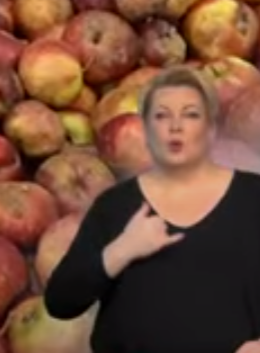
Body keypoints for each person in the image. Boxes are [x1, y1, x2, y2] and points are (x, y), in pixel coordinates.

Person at [44, 66, 260, 353]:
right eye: (161, 116)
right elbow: (61, 301)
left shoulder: (252, 198)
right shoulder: (116, 206)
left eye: (191, 114)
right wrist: (121, 250)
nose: (175, 126)